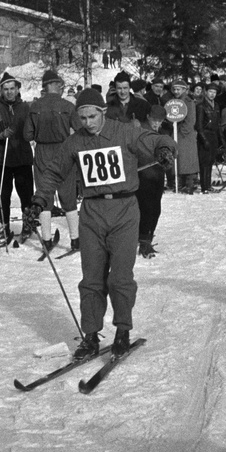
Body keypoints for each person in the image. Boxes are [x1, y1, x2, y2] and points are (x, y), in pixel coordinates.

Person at [26, 88, 176, 357]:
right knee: (92, 278)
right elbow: (53, 172)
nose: (88, 123)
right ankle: (91, 335)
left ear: (103, 112)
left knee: (120, 278)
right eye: (82, 118)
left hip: (124, 210)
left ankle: (122, 330)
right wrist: (39, 200)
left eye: (92, 116)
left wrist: (164, 149)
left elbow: (155, 139)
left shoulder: (124, 132)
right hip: (93, 212)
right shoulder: (75, 142)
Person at [24, 69, 81, 252]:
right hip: (63, 151)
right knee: (68, 196)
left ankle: (47, 240)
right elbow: (80, 130)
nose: (62, 88)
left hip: (42, 152)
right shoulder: (68, 106)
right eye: (60, 84)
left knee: (44, 194)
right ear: (54, 85)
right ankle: (75, 239)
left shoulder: (34, 107)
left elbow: (27, 135)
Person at [0, 72, 34, 244]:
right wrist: (1, 134)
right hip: (3, 158)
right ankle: (4, 224)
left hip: (22, 156)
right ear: (1, 91)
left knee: (25, 193)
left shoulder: (25, 107)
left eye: (12, 89)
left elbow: (32, 128)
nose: (9, 92)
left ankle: (28, 223)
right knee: (4, 194)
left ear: (17, 89)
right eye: (6, 89)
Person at [136, 105, 172, 256]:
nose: (156, 123)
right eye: (154, 120)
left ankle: (148, 238)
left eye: (160, 121)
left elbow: (167, 145)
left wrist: (167, 155)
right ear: (148, 117)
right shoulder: (140, 131)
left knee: (156, 209)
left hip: (157, 175)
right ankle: (143, 240)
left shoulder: (161, 133)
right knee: (146, 208)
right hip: (143, 175)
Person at [167, 77, 199, 193]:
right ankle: (178, 183)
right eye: (174, 89)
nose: (176, 92)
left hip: (185, 135)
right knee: (179, 160)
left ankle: (189, 184)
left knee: (187, 161)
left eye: (179, 89)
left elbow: (190, 120)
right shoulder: (173, 102)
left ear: (184, 90)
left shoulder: (188, 102)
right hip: (177, 133)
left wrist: (181, 132)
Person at [196, 83, 221, 193]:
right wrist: (204, 139)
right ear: (206, 92)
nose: (212, 94)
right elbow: (199, 125)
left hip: (213, 135)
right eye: (210, 92)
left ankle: (208, 184)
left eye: (214, 92)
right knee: (204, 162)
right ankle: (204, 186)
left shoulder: (216, 106)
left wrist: (220, 138)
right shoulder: (201, 106)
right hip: (205, 135)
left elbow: (218, 123)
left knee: (210, 161)